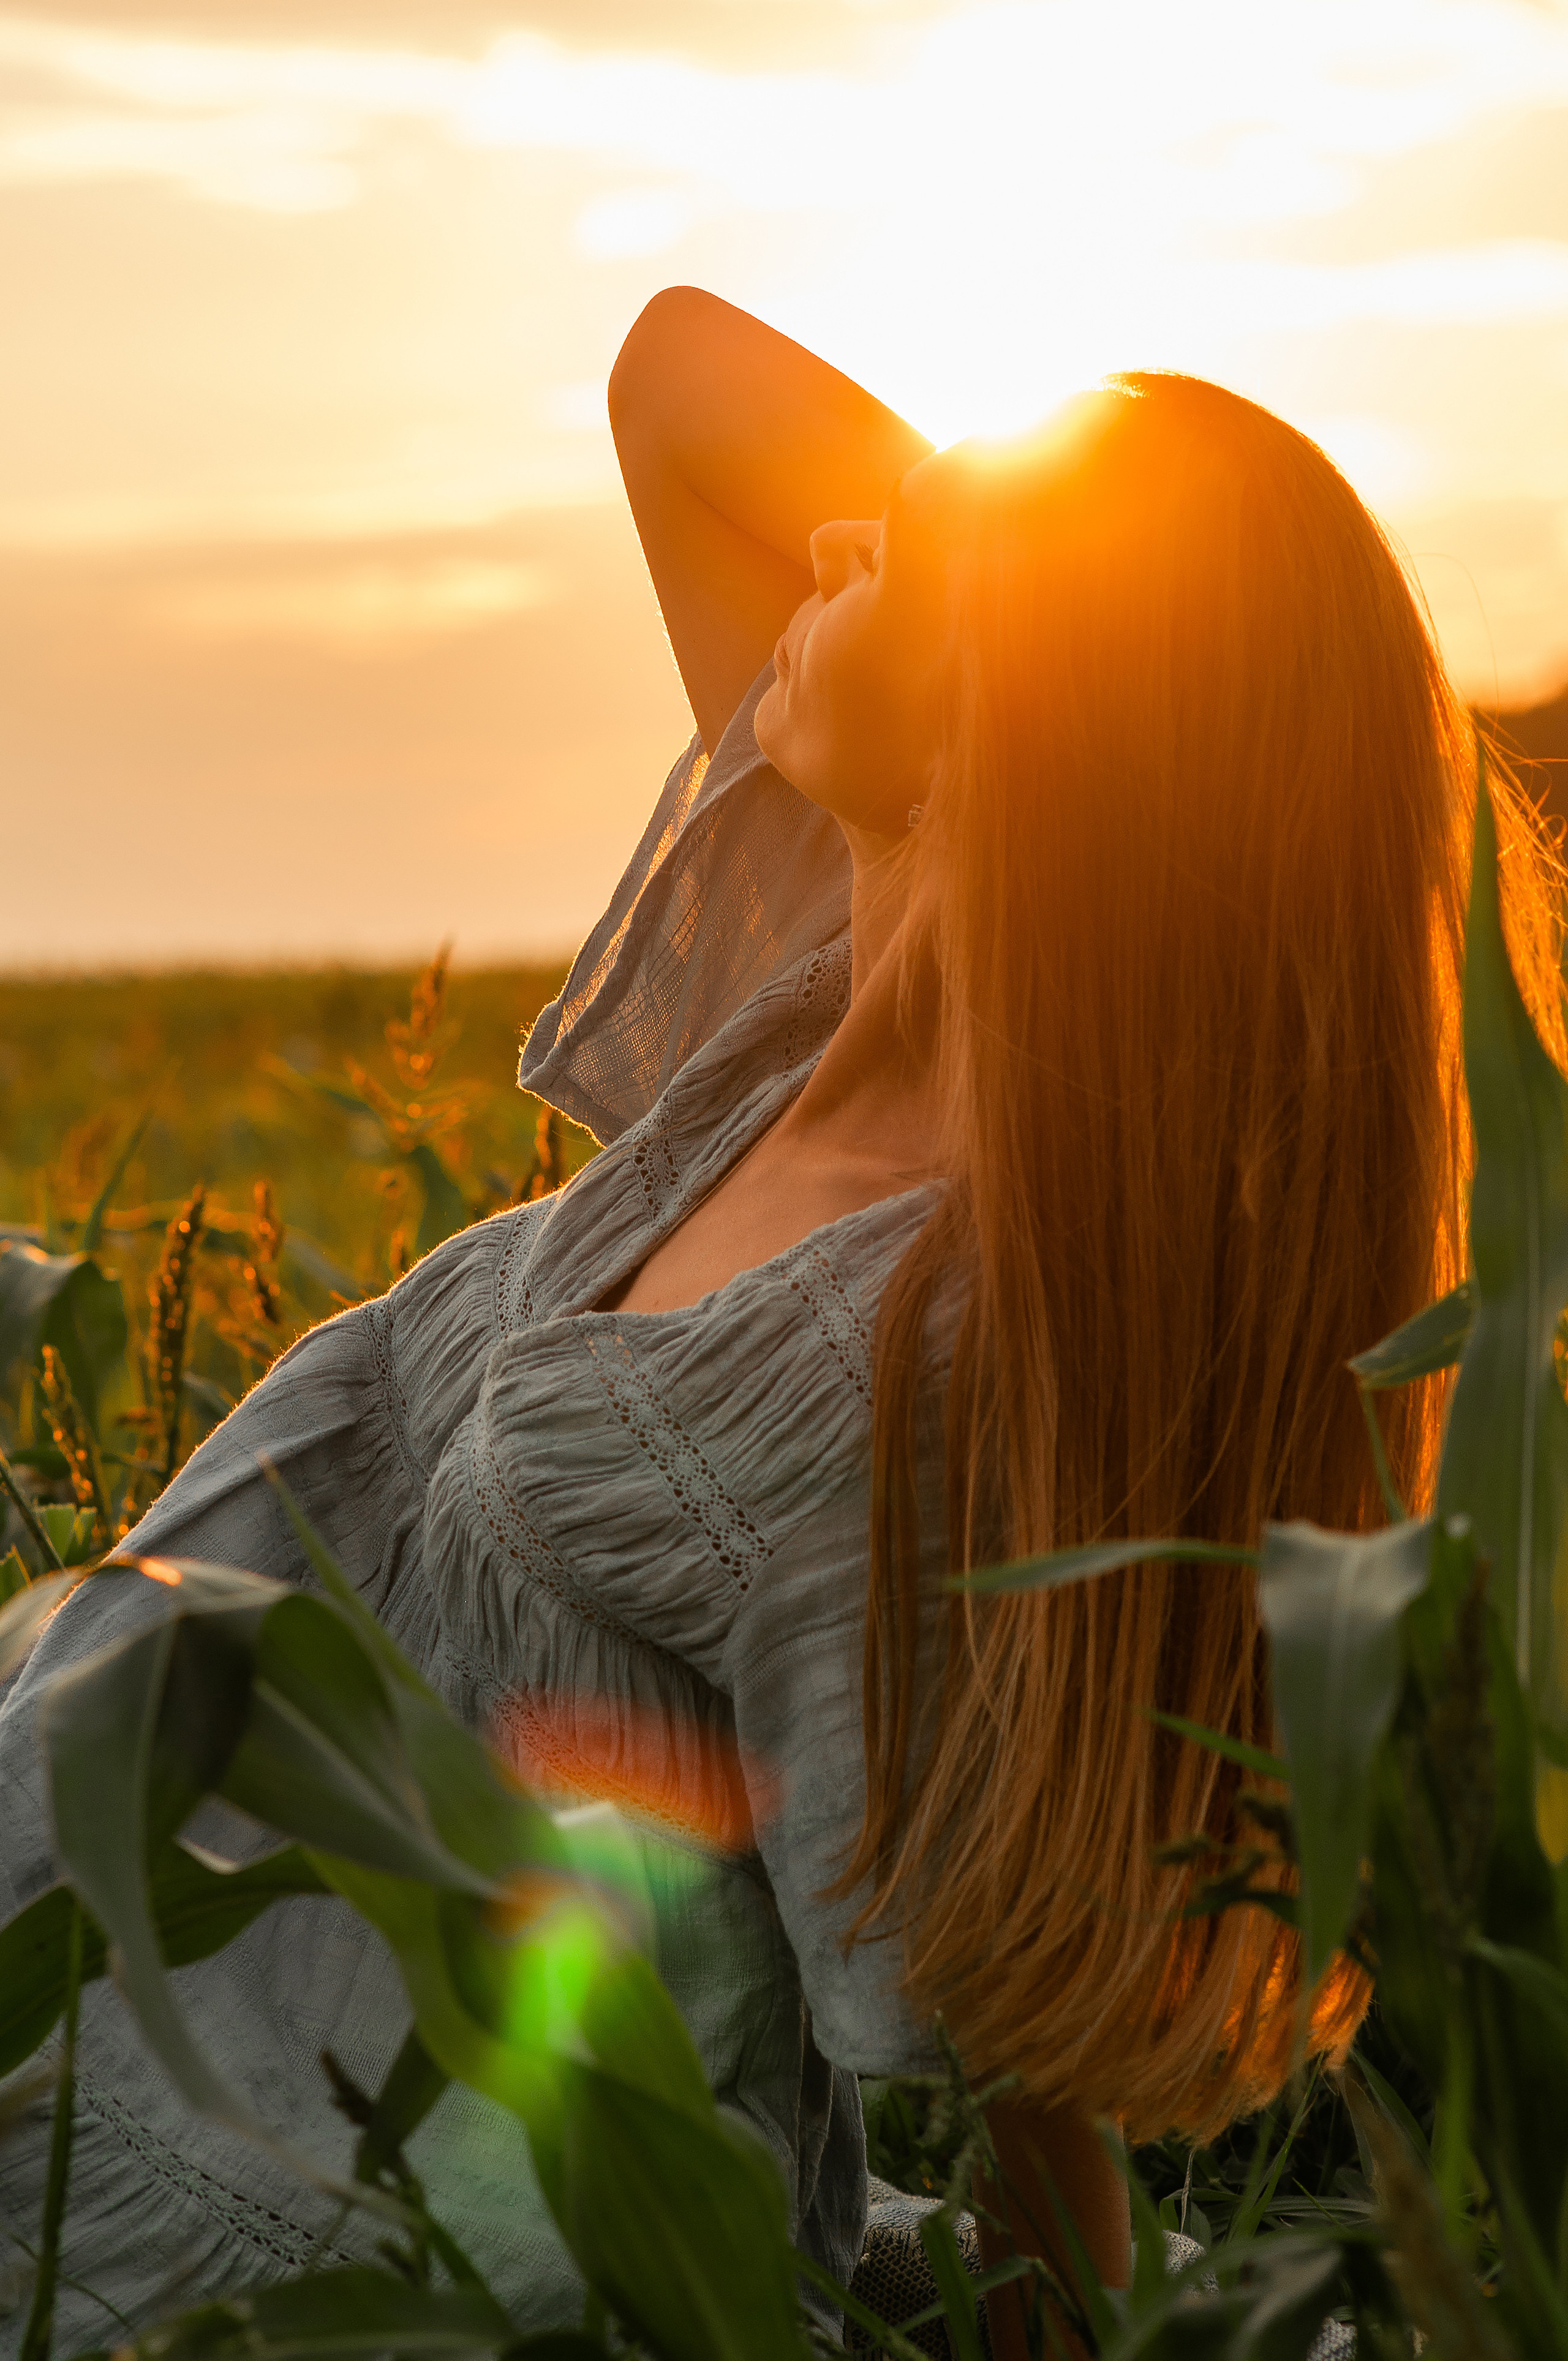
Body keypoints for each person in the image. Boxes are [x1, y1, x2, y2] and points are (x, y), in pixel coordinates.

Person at [1, 286, 1561, 2359]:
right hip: (90, 1937)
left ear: (1022, 704)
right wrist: (1030, 551)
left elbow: (1022, 2063)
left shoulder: (917, 1353)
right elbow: (681, 376)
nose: (834, 543)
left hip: (242, 2192)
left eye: (910, 556)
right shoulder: (829, 973)